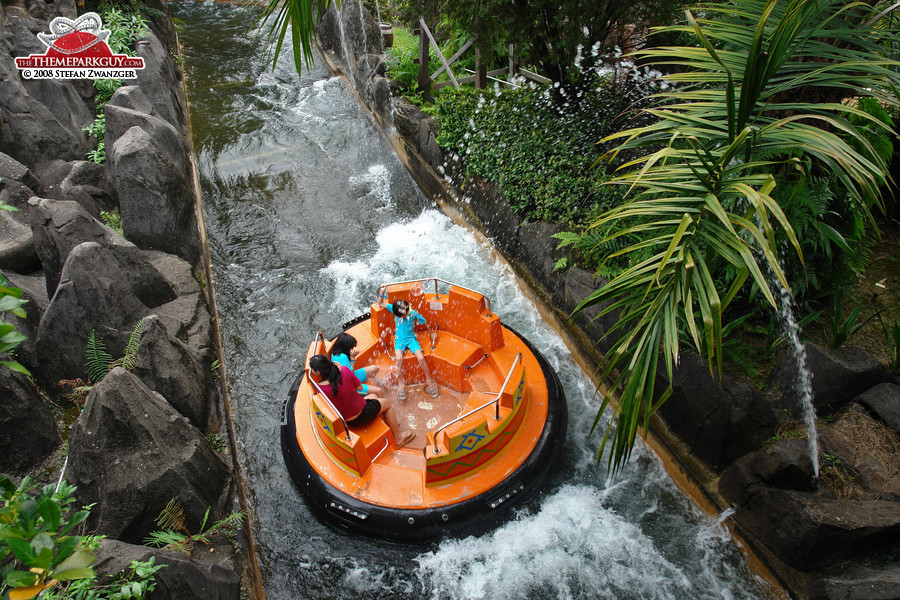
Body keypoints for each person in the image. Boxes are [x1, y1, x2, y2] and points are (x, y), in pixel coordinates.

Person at [308, 354, 414, 447]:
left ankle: (385, 425)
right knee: (386, 404)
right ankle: (398, 437)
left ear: (318, 372)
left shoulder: (319, 388)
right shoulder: (344, 371)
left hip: (348, 421)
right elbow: (359, 388)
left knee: (373, 396)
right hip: (362, 414)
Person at [377, 296, 439, 400]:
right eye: (399, 316)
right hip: (399, 340)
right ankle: (401, 381)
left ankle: (429, 380)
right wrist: (382, 291)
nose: (401, 318)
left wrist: (432, 334)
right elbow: (380, 303)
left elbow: (425, 322)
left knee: (421, 358)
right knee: (399, 358)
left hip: (411, 339)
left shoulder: (413, 313)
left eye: (402, 316)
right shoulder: (395, 308)